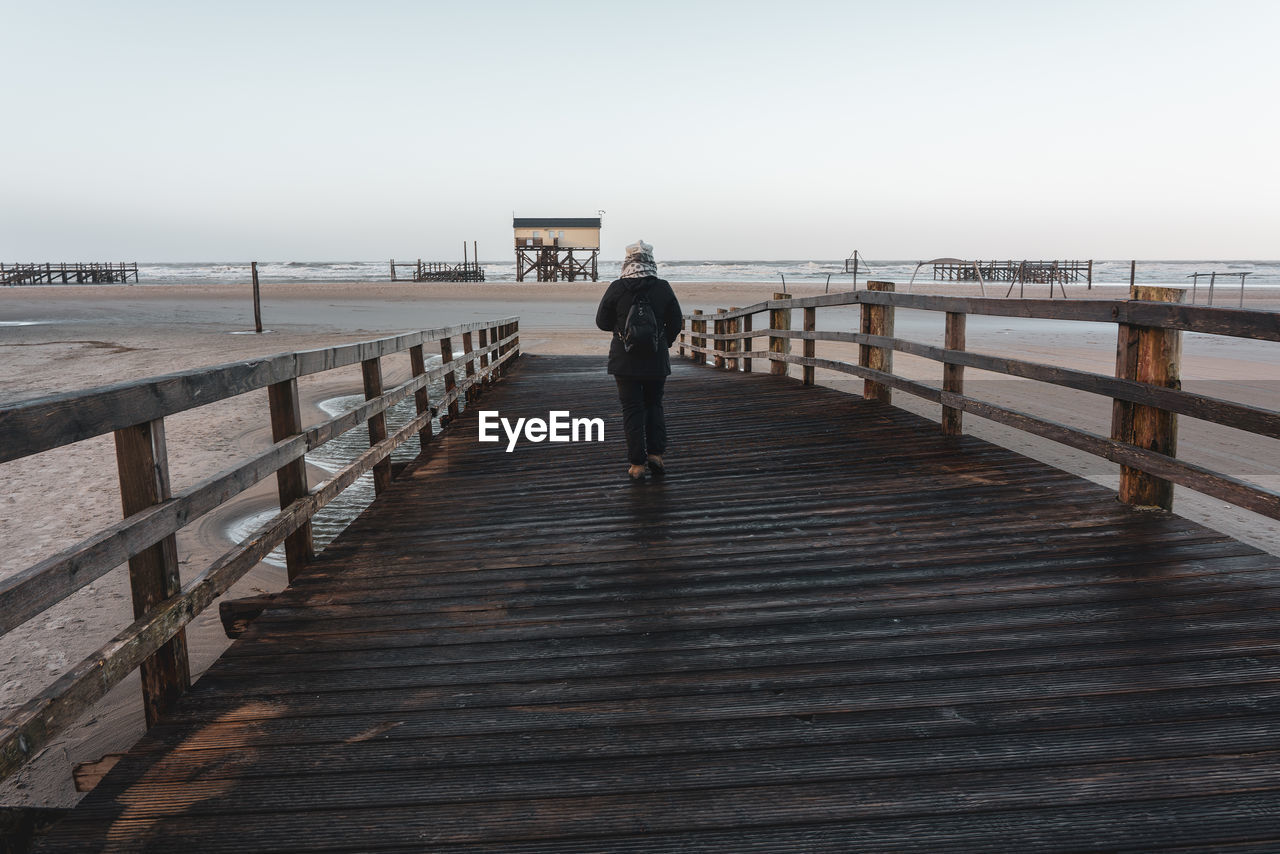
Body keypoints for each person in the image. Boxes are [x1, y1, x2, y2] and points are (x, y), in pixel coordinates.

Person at [595, 240, 683, 481]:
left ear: (627, 262)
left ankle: (636, 464)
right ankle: (656, 455)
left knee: (632, 409)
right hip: (656, 360)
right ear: (651, 260)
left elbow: (602, 322)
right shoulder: (662, 287)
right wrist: (664, 342)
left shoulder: (617, 287)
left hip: (625, 360)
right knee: (654, 404)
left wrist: (621, 327)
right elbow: (677, 322)